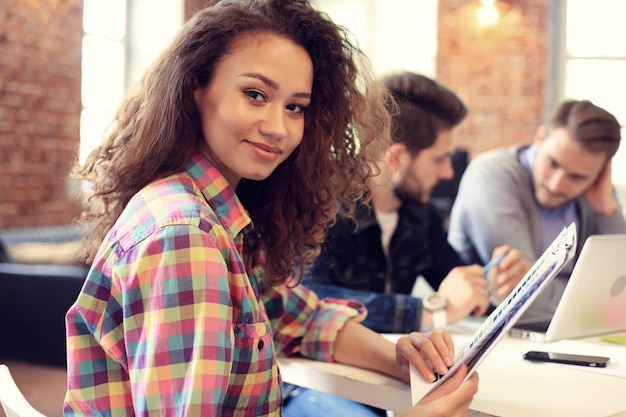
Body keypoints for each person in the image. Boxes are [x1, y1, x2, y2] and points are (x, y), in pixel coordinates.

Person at [63, 1, 478, 416]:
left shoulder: (224, 217)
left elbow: (299, 318)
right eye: (255, 94)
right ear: (196, 89)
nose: (278, 128)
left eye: (295, 107)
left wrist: (398, 359)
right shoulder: (187, 234)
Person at [303, 71, 527, 335]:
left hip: (392, 365)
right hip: (319, 373)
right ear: (396, 158)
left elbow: (456, 289)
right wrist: (430, 311)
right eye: (438, 159)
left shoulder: (421, 214)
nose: (448, 173)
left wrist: (494, 286)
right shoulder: (319, 205)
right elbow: (307, 301)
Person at [448, 99, 626, 322]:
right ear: (540, 138)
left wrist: (605, 211)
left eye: (577, 177)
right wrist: (600, 304)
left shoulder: (595, 194)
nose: (556, 185)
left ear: (600, 174)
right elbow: (525, 297)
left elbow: (619, 287)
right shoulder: (491, 175)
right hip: (484, 332)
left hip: (560, 331)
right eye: (553, 163)